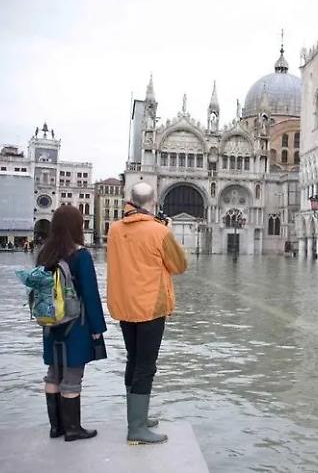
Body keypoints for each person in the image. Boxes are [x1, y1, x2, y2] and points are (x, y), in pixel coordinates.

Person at [106, 182, 187, 445]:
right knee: (146, 365)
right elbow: (179, 265)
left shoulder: (114, 230)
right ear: (152, 203)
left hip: (125, 305)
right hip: (150, 306)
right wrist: (167, 231)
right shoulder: (158, 231)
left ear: (131, 200)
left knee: (133, 359)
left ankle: (136, 417)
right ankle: (137, 428)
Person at [36, 205, 108, 441]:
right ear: (77, 227)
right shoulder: (81, 256)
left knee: (53, 373)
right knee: (73, 375)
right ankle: (73, 429)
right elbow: (90, 295)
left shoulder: (45, 253)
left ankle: (56, 427)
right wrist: (97, 329)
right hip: (76, 325)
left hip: (50, 323)